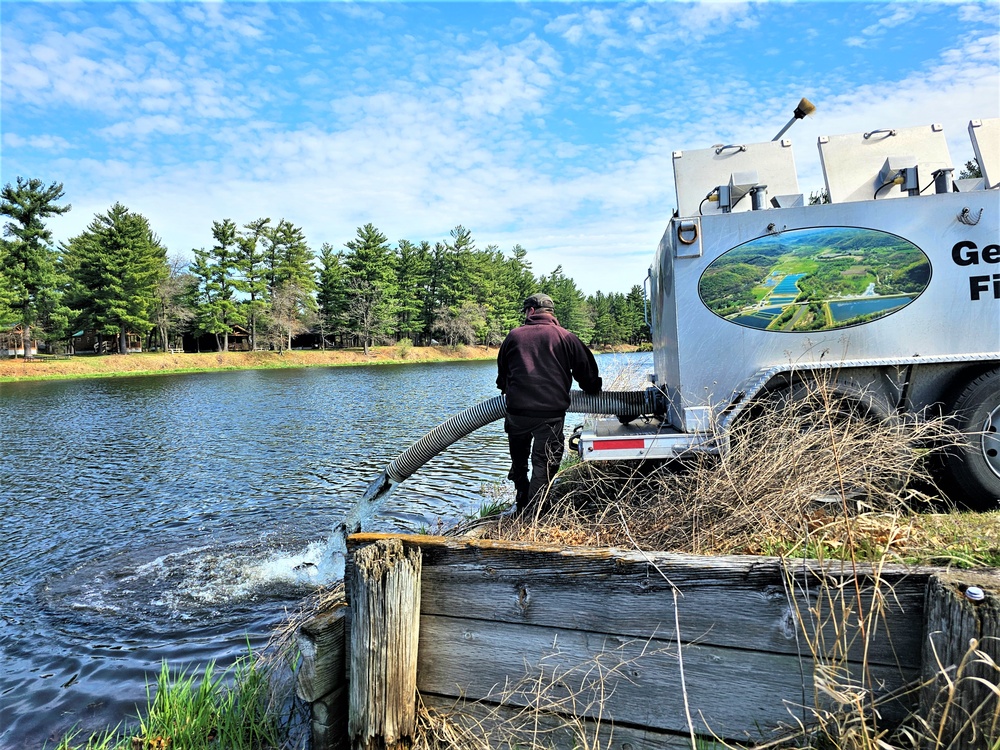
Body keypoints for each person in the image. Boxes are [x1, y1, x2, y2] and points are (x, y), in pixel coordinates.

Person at [496, 293, 602, 515]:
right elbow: (588, 370)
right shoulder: (565, 336)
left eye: (525, 312)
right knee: (544, 463)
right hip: (550, 415)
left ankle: (522, 500)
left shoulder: (513, 337)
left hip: (517, 413)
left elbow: (502, 377)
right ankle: (535, 513)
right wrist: (592, 389)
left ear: (531, 311)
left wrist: (510, 389)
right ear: (551, 313)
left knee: (519, 460)